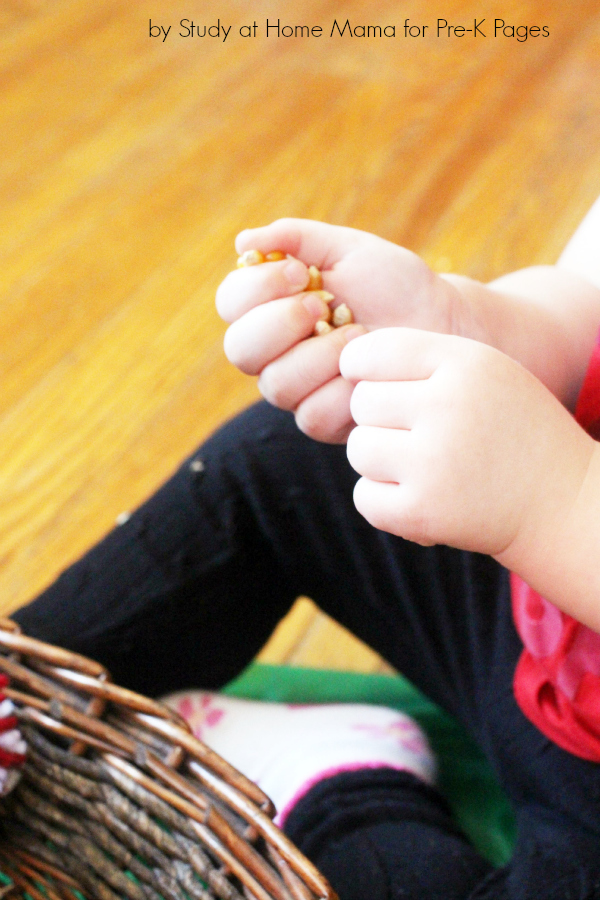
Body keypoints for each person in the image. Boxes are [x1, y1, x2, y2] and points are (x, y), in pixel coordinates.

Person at [13, 197, 600, 899]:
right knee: (286, 461)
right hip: (540, 630)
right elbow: (584, 296)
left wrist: (562, 496)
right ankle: (22, 688)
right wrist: (473, 324)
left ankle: (342, 785)